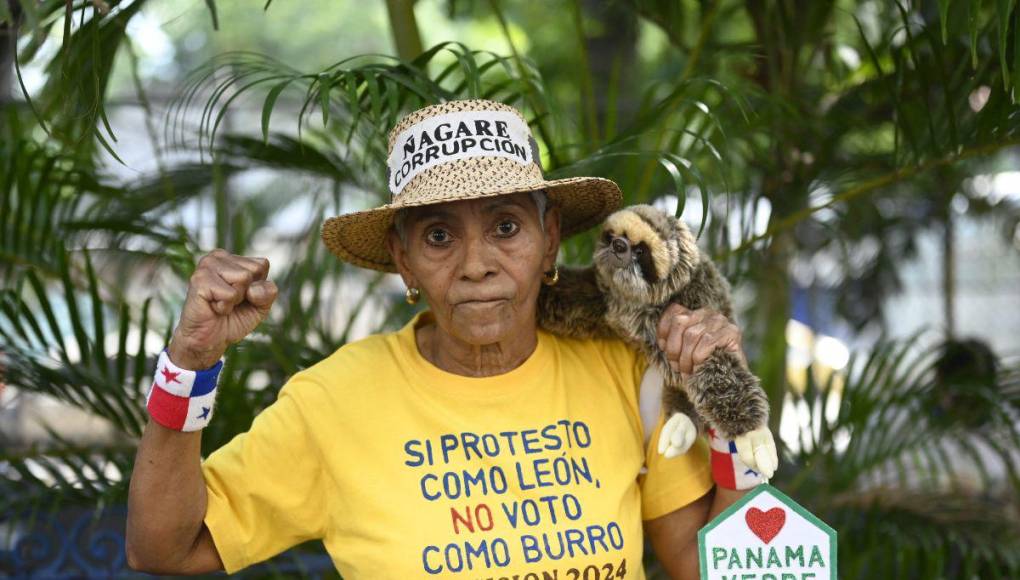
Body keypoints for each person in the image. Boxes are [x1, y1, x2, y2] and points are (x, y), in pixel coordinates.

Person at [125, 99, 766, 579]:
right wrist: (190, 363)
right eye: (438, 236)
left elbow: (720, 570)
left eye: (506, 226)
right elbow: (162, 547)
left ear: (550, 241)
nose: (476, 263)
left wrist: (729, 406)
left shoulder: (624, 371)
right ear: (403, 259)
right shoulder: (334, 400)